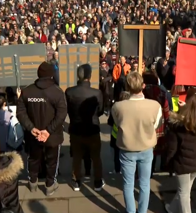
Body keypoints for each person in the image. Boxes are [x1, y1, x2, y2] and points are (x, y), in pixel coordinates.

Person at [111, 72, 162, 213]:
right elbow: (157, 125)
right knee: (145, 183)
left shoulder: (118, 106)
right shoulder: (155, 105)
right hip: (146, 148)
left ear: (127, 87)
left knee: (128, 183)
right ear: (143, 86)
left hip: (127, 148)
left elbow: (118, 123)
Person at [17, 62, 67, 196]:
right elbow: (62, 114)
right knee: (52, 161)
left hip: (33, 134)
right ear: (51, 75)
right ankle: (50, 185)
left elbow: (20, 112)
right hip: (52, 135)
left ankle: (32, 182)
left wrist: (31, 128)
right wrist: (48, 131)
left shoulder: (27, 91)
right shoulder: (57, 92)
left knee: (33, 158)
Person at [65, 64, 105, 192]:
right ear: (90, 76)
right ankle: (97, 181)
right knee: (96, 157)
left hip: (76, 129)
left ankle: (76, 181)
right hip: (92, 129)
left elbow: (68, 110)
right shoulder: (97, 93)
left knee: (76, 156)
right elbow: (100, 111)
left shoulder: (69, 91)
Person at [107, 91, 131, 174]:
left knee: (117, 154)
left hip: (116, 135)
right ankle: (126, 169)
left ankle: (117, 170)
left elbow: (110, 122)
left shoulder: (115, 107)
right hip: (129, 136)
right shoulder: (131, 108)